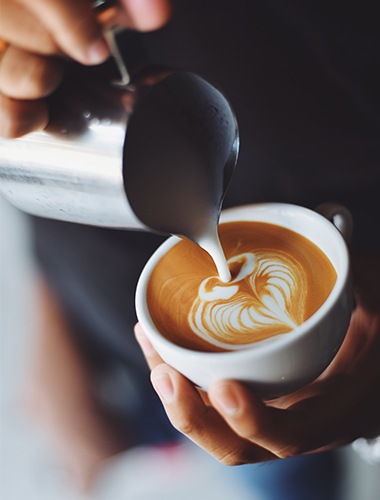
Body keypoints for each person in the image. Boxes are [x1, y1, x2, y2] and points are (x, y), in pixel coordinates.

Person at [1, 0, 379, 498]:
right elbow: (43, 160)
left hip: (333, 376)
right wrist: (51, 318)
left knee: (284, 469)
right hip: (108, 353)